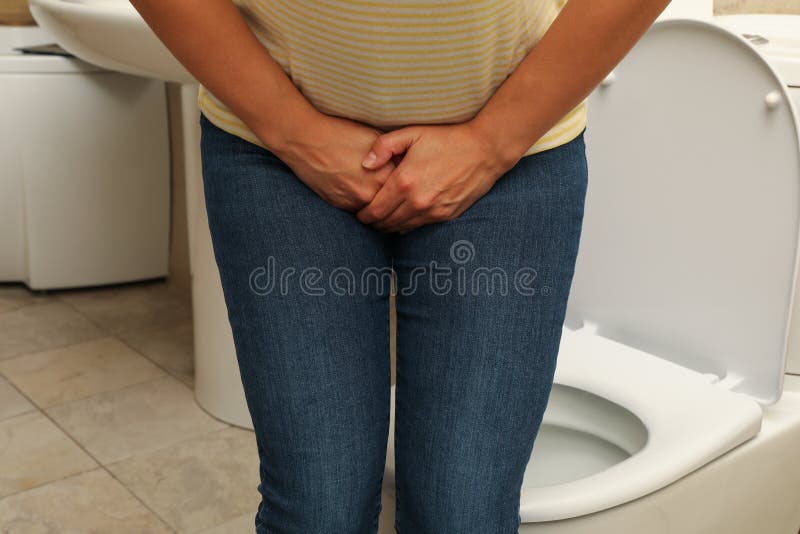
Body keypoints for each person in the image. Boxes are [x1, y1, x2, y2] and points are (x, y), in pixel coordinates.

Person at [131, 1, 671, 532]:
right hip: (276, 150)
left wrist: (488, 144)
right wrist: (296, 134)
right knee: (318, 510)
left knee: (463, 517)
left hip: (513, 151)